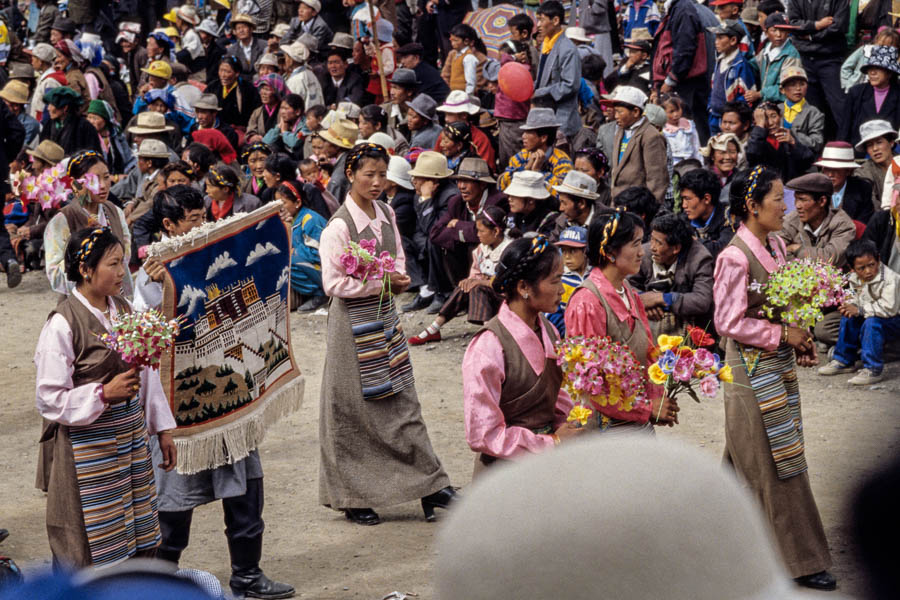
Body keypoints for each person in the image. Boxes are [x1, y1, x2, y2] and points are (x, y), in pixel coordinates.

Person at [318, 143, 456, 526]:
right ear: (351, 173)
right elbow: (332, 283)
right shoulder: (339, 227)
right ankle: (352, 494)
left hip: (384, 319)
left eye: (383, 175)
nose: (377, 183)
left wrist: (397, 279)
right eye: (369, 175)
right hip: (350, 325)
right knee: (351, 410)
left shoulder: (386, 212)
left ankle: (432, 484)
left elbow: (395, 259)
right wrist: (382, 282)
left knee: (402, 402)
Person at [713, 165, 836, 590]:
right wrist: (785, 333)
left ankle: (718, 543)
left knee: (751, 455)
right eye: (777, 201)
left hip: (771, 364)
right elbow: (727, 321)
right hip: (749, 369)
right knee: (773, 460)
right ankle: (801, 560)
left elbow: (779, 304)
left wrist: (797, 338)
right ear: (751, 206)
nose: (785, 208)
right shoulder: (733, 256)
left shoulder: (776, 246)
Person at [33, 227, 176, 569]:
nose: (121, 272)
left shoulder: (124, 310)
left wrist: (163, 430)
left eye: (123, 263)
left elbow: (149, 374)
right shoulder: (63, 324)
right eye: (113, 264)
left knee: (138, 530)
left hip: (130, 441)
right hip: (86, 450)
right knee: (86, 540)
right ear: (85, 270)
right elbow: (49, 398)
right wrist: (102, 393)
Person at [460, 234, 584, 473]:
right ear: (524, 287)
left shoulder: (548, 330)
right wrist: (551, 443)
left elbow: (557, 398)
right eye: (555, 281)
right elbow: (482, 434)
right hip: (504, 472)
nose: (562, 290)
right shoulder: (489, 345)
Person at [564, 211, 678, 431]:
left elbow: (648, 351)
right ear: (610, 252)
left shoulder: (629, 292)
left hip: (635, 419)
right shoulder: (587, 303)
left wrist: (658, 399)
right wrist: (647, 408)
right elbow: (591, 383)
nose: (642, 253)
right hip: (604, 429)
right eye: (635, 244)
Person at [410, 205, 513, 346]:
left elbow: (507, 285)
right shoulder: (481, 249)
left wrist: (482, 282)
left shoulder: (510, 251)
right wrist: (470, 281)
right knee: (466, 286)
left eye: (481, 231)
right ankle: (435, 327)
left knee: (477, 287)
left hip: (506, 301)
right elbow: (474, 274)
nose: (478, 235)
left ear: (495, 231)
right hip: (487, 296)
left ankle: (489, 333)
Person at [44, 151, 132, 297]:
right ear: (75, 184)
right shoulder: (62, 220)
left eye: (106, 177)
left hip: (116, 296)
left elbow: (125, 254)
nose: (103, 185)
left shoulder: (115, 212)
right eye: (94, 180)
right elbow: (54, 273)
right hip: (81, 300)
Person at [819, 239, 900, 385]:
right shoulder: (854, 278)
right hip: (872, 313)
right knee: (848, 316)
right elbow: (854, 298)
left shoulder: (891, 279)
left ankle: (872, 369)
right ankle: (844, 359)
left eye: (871, 265)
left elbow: (889, 308)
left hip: (893, 319)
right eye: (861, 268)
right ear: (852, 268)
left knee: (872, 322)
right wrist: (849, 306)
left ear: (878, 260)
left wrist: (860, 310)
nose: (868, 271)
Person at [629, 212, 715, 338]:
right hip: (648, 326)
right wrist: (644, 301)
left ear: (676, 248)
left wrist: (662, 298)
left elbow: (702, 300)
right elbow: (625, 285)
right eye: (651, 239)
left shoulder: (700, 258)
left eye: (658, 242)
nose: (652, 247)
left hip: (687, 331)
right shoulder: (645, 253)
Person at [401, 151, 459, 313]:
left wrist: (427, 200)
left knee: (433, 243)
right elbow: (420, 229)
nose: (413, 181)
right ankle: (426, 289)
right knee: (404, 241)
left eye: (418, 178)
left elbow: (435, 228)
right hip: (427, 238)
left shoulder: (450, 196)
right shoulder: (418, 195)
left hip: (447, 244)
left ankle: (443, 292)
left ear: (431, 181)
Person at [785, 1, 849, 137]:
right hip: (806, 59)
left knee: (839, 106)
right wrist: (817, 25)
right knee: (813, 108)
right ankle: (816, 148)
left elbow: (838, 27)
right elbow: (793, 25)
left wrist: (811, 36)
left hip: (831, 58)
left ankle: (846, 146)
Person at [657, 0, 713, 143]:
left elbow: (685, 48)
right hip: (693, 82)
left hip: (688, 83)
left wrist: (671, 79)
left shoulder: (683, 9)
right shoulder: (689, 8)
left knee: (690, 131)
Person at [606, 86, 668, 203]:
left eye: (620, 112)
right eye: (615, 111)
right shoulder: (620, 131)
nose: (616, 116)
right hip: (618, 202)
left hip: (637, 205)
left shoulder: (651, 136)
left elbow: (657, 180)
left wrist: (649, 210)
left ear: (635, 112)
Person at [532, 1, 582, 141]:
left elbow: (570, 85)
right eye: (538, 20)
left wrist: (542, 92)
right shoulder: (546, 45)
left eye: (542, 20)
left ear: (555, 20)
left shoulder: (567, 49)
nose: (539, 25)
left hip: (561, 116)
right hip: (544, 112)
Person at [277, 179, 328, 313]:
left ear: (297, 202)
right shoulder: (293, 219)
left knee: (289, 260)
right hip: (311, 265)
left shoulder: (310, 219)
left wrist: (293, 252)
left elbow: (319, 253)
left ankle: (320, 293)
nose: (280, 208)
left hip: (325, 267)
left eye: (283, 203)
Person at [499, 107, 573, 198]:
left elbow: (562, 197)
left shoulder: (562, 162)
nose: (523, 136)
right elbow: (501, 186)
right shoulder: (521, 157)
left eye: (528, 132)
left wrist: (538, 173)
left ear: (543, 138)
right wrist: (525, 169)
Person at [839, 45, 900, 150]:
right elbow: (845, 129)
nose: (872, 72)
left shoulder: (898, 93)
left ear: (889, 73)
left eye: (877, 68)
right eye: (870, 68)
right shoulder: (856, 92)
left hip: (892, 155)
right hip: (859, 154)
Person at [707, 20, 758, 135]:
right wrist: (710, 107)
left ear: (733, 40)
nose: (716, 42)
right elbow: (713, 87)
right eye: (716, 38)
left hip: (730, 123)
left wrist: (732, 117)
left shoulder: (741, 65)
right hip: (714, 117)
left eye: (720, 38)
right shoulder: (719, 61)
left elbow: (745, 98)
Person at [746, 101, 816, 182]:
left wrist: (793, 143)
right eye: (765, 118)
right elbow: (753, 154)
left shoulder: (787, 136)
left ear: (780, 116)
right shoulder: (755, 139)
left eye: (773, 116)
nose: (771, 122)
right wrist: (759, 127)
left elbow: (808, 160)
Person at [545, 225, 592, 336]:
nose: (566, 257)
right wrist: (566, 331)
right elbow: (551, 311)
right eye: (564, 251)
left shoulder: (596, 274)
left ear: (585, 250)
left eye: (572, 251)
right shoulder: (559, 277)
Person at [814, 142, 875, 224]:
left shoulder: (862, 189)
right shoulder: (814, 189)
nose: (830, 174)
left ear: (848, 171)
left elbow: (863, 223)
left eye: (836, 169)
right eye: (827, 169)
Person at [678, 167, 734, 258]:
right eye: (682, 199)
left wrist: (691, 242)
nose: (684, 205)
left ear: (707, 199)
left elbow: (722, 251)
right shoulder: (684, 219)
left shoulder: (729, 217)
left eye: (688, 199)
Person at [749, 12, 803, 104]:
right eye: (774, 30)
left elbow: (787, 86)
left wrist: (760, 94)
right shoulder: (766, 49)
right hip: (767, 102)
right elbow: (754, 64)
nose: (778, 35)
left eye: (782, 30)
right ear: (766, 33)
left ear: (788, 32)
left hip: (782, 104)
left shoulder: (791, 55)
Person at [38, 86, 101, 155]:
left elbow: (91, 155)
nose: (48, 108)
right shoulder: (49, 124)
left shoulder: (84, 127)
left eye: (52, 105)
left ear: (65, 108)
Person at [778, 66, 826, 155]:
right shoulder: (777, 110)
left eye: (802, 84)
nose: (798, 88)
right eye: (792, 84)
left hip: (803, 160)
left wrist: (793, 135)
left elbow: (817, 143)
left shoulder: (813, 112)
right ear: (782, 90)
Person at [549, 170, 607, 242]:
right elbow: (552, 245)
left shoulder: (606, 223)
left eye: (564, 203)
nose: (560, 208)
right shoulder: (563, 220)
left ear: (581, 204)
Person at [206, 55, 260, 130]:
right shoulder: (213, 87)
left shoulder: (248, 90)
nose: (223, 75)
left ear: (237, 73)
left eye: (227, 72)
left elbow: (255, 112)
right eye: (221, 70)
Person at [86, 99, 134, 176]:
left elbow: (129, 160)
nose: (91, 121)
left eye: (95, 118)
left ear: (105, 120)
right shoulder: (87, 138)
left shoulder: (117, 135)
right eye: (89, 117)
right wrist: (114, 178)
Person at [505, 171, 559, 238]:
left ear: (531, 200)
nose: (509, 199)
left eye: (514, 196)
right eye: (509, 195)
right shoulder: (512, 215)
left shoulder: (550, 220)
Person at [855, 119, 896, 208]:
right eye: (870, 145)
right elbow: (872, 205)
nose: (875, 149)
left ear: (891, 143)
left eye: (879, 142)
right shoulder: (863, 172)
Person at [321, 118, 359, 203]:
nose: (323, 145)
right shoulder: (353, 159)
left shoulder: (337, 179)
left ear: (337, 146)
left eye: (326, 141)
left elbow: (333, 208)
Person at [281, 41, 324, 110]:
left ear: (291, 60)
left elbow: (291, 105)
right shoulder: (310, 74)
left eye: (286, 57)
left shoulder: (295, 80)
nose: (285, 60)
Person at [246, 73, 286, 143]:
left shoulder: (284, 111)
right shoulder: (257, 112)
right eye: (262, 89)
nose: (263, 93)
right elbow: (250, 131)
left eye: (267, 89)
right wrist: (253, 137)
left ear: (277, 92)